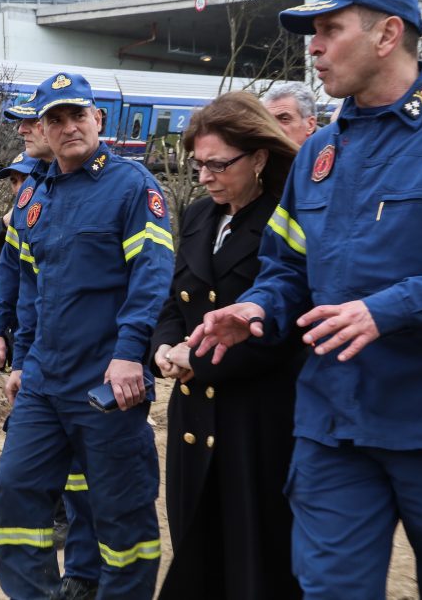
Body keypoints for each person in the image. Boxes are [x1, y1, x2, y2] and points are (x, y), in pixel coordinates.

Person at [188, 0, 422, 598]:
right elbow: (287, 267)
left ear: (387, 35)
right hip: (334, 425)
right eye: (313, 34)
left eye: (331, 30)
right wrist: (256, 310)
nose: (315, 47)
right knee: (329, 589)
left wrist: (390, 309)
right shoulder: (321, 154)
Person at [0, 71, 173, 599]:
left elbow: (152, 276)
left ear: (98, 119)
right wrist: (21, 360)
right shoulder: (34, 194)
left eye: (77, 115)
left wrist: (130, 354)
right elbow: (29, 286)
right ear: (43, 129)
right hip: (44, 381)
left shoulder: (132, 186)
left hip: (107, 381)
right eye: (56, 119)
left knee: (121, 517)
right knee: (14, 500)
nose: (68, 127)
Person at [150, 91, 304, 599]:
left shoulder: (287, 218)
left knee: (251, 561)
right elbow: (177, 297)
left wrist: (199, 360)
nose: (205, 177)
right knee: (197, 555)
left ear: (258, 158)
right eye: (199, 165)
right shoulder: (199, 215)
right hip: (194, 414)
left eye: (218, 165)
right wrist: (163, 346)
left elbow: (287, 322)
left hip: (255, 419)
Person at [0, 94, 102, 600]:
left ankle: (86, 575)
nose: (23, 130)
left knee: (87, 482)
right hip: (43, 364)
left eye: (30, 121)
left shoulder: (117, 186)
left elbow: (138, 283)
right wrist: (13, 349)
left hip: (94, 365)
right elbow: (16, 277)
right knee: (23, 487)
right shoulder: (32, 194)